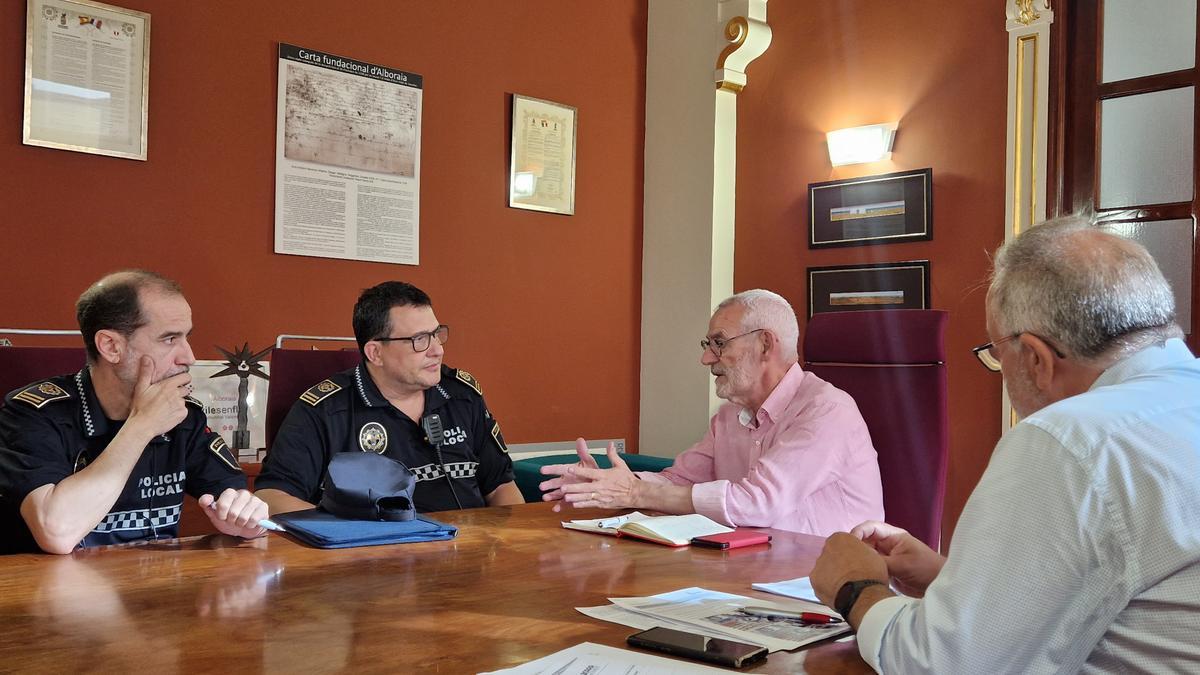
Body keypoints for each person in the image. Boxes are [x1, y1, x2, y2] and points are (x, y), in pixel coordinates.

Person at [810, 216, 1200, 672]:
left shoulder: (1069, 439)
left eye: (996, 352)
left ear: (1035, 357)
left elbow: (947, 665)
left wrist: (856, 589)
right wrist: (952, 580)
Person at [539, 289, 884, 536]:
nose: (707, 358)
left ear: (765, 344)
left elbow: (759, 503)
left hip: (828, 589)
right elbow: (680, 482)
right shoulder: (728, 417)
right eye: (708, 345)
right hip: (753, 577)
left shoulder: (826, 411)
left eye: (719, 343)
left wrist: (635, 492)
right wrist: (605, 485)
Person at [0, 271, 268, 554]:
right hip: (46, 593)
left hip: (152, 588)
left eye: (186, 337)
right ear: (111, 346)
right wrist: (142, 426)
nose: (188, 357)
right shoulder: (31, 413)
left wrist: (246, 518)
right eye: (169, 339)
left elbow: (234, 498)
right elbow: (57, 532)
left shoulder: (183, 415)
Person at [255, 281, 524, 515]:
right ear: (375, 353)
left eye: (436, 334)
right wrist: (348, 533)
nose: (437, 350)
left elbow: (501, 485)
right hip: (370, 562)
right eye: (419, 339)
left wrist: (509, 542)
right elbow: (272, 497)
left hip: (468, 556)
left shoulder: (462, 396)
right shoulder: (324, 410)